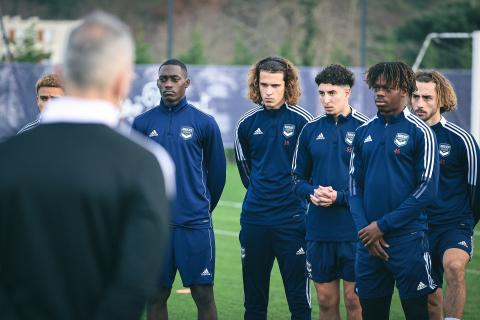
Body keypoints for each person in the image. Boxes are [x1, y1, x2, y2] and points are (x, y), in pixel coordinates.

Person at [0, 11, 174, 320]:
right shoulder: (149, 165)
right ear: (124, 80)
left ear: (60, 72)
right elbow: (133, 285)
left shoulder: (7, 156)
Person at [132, 58, 226, 320]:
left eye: (175, 79)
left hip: (194, 224)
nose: (168, 84)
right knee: (156, 295)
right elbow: (136, 174)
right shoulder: (142, 123)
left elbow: (217, 175)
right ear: (157, 83)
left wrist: (199, 206)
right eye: (163, 79)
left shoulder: (204, 123)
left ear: (187, 83)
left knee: (203, 294)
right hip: (155, 225)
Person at [349, 61, 439, 319]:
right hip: (368, 243)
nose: (379, 93)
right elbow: (354, 187)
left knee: (416, 312)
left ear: (402, 90)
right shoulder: (363, 132)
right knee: (372, 313)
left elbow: (427, 189)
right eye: (376, 88)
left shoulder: (421, 132)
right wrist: (366, 231)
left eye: (386, 88)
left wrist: (382, 226)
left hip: (408, 240)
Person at [235, 56, 313, 320]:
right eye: (264, 85)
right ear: (257, 85)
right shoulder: (245, 124)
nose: (268, 91)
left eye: (275, 86)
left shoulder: (304, 122)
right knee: (254, 304)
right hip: (255, 219)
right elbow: (246, 172)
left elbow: (310, 171)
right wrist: (262, 193)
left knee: (299, 302)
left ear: (287, 86)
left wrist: (289, 196)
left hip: (292, 221)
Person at [292, 64, 367, 320]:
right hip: (319, 229)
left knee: (354, 301)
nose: (326, 99)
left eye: (332, 93)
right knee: (325, 301)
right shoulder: (310, 130)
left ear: (347, 92)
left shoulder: (366, 129)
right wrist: (312, 192)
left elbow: (373, 186)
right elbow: (297, 179)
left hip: (354, 230)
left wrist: (340, 197)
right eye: (322, 93)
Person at [411, 70, 480, 320]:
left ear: (442, 99)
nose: (420, 103)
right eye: (415, 96)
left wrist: (465, 221)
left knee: (454, 267)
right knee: (431, 298)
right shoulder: (406, 138)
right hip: (418, 227)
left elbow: (476, 188)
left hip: (453, 223)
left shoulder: (462, 140)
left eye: (427, 98)